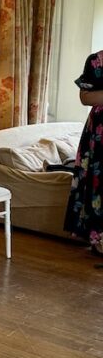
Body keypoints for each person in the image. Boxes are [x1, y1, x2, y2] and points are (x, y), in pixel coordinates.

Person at [66, 51, 103, 254]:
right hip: (98, 134)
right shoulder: (95, 60)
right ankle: (98, 239)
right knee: (97, 183)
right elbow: (85, 97)